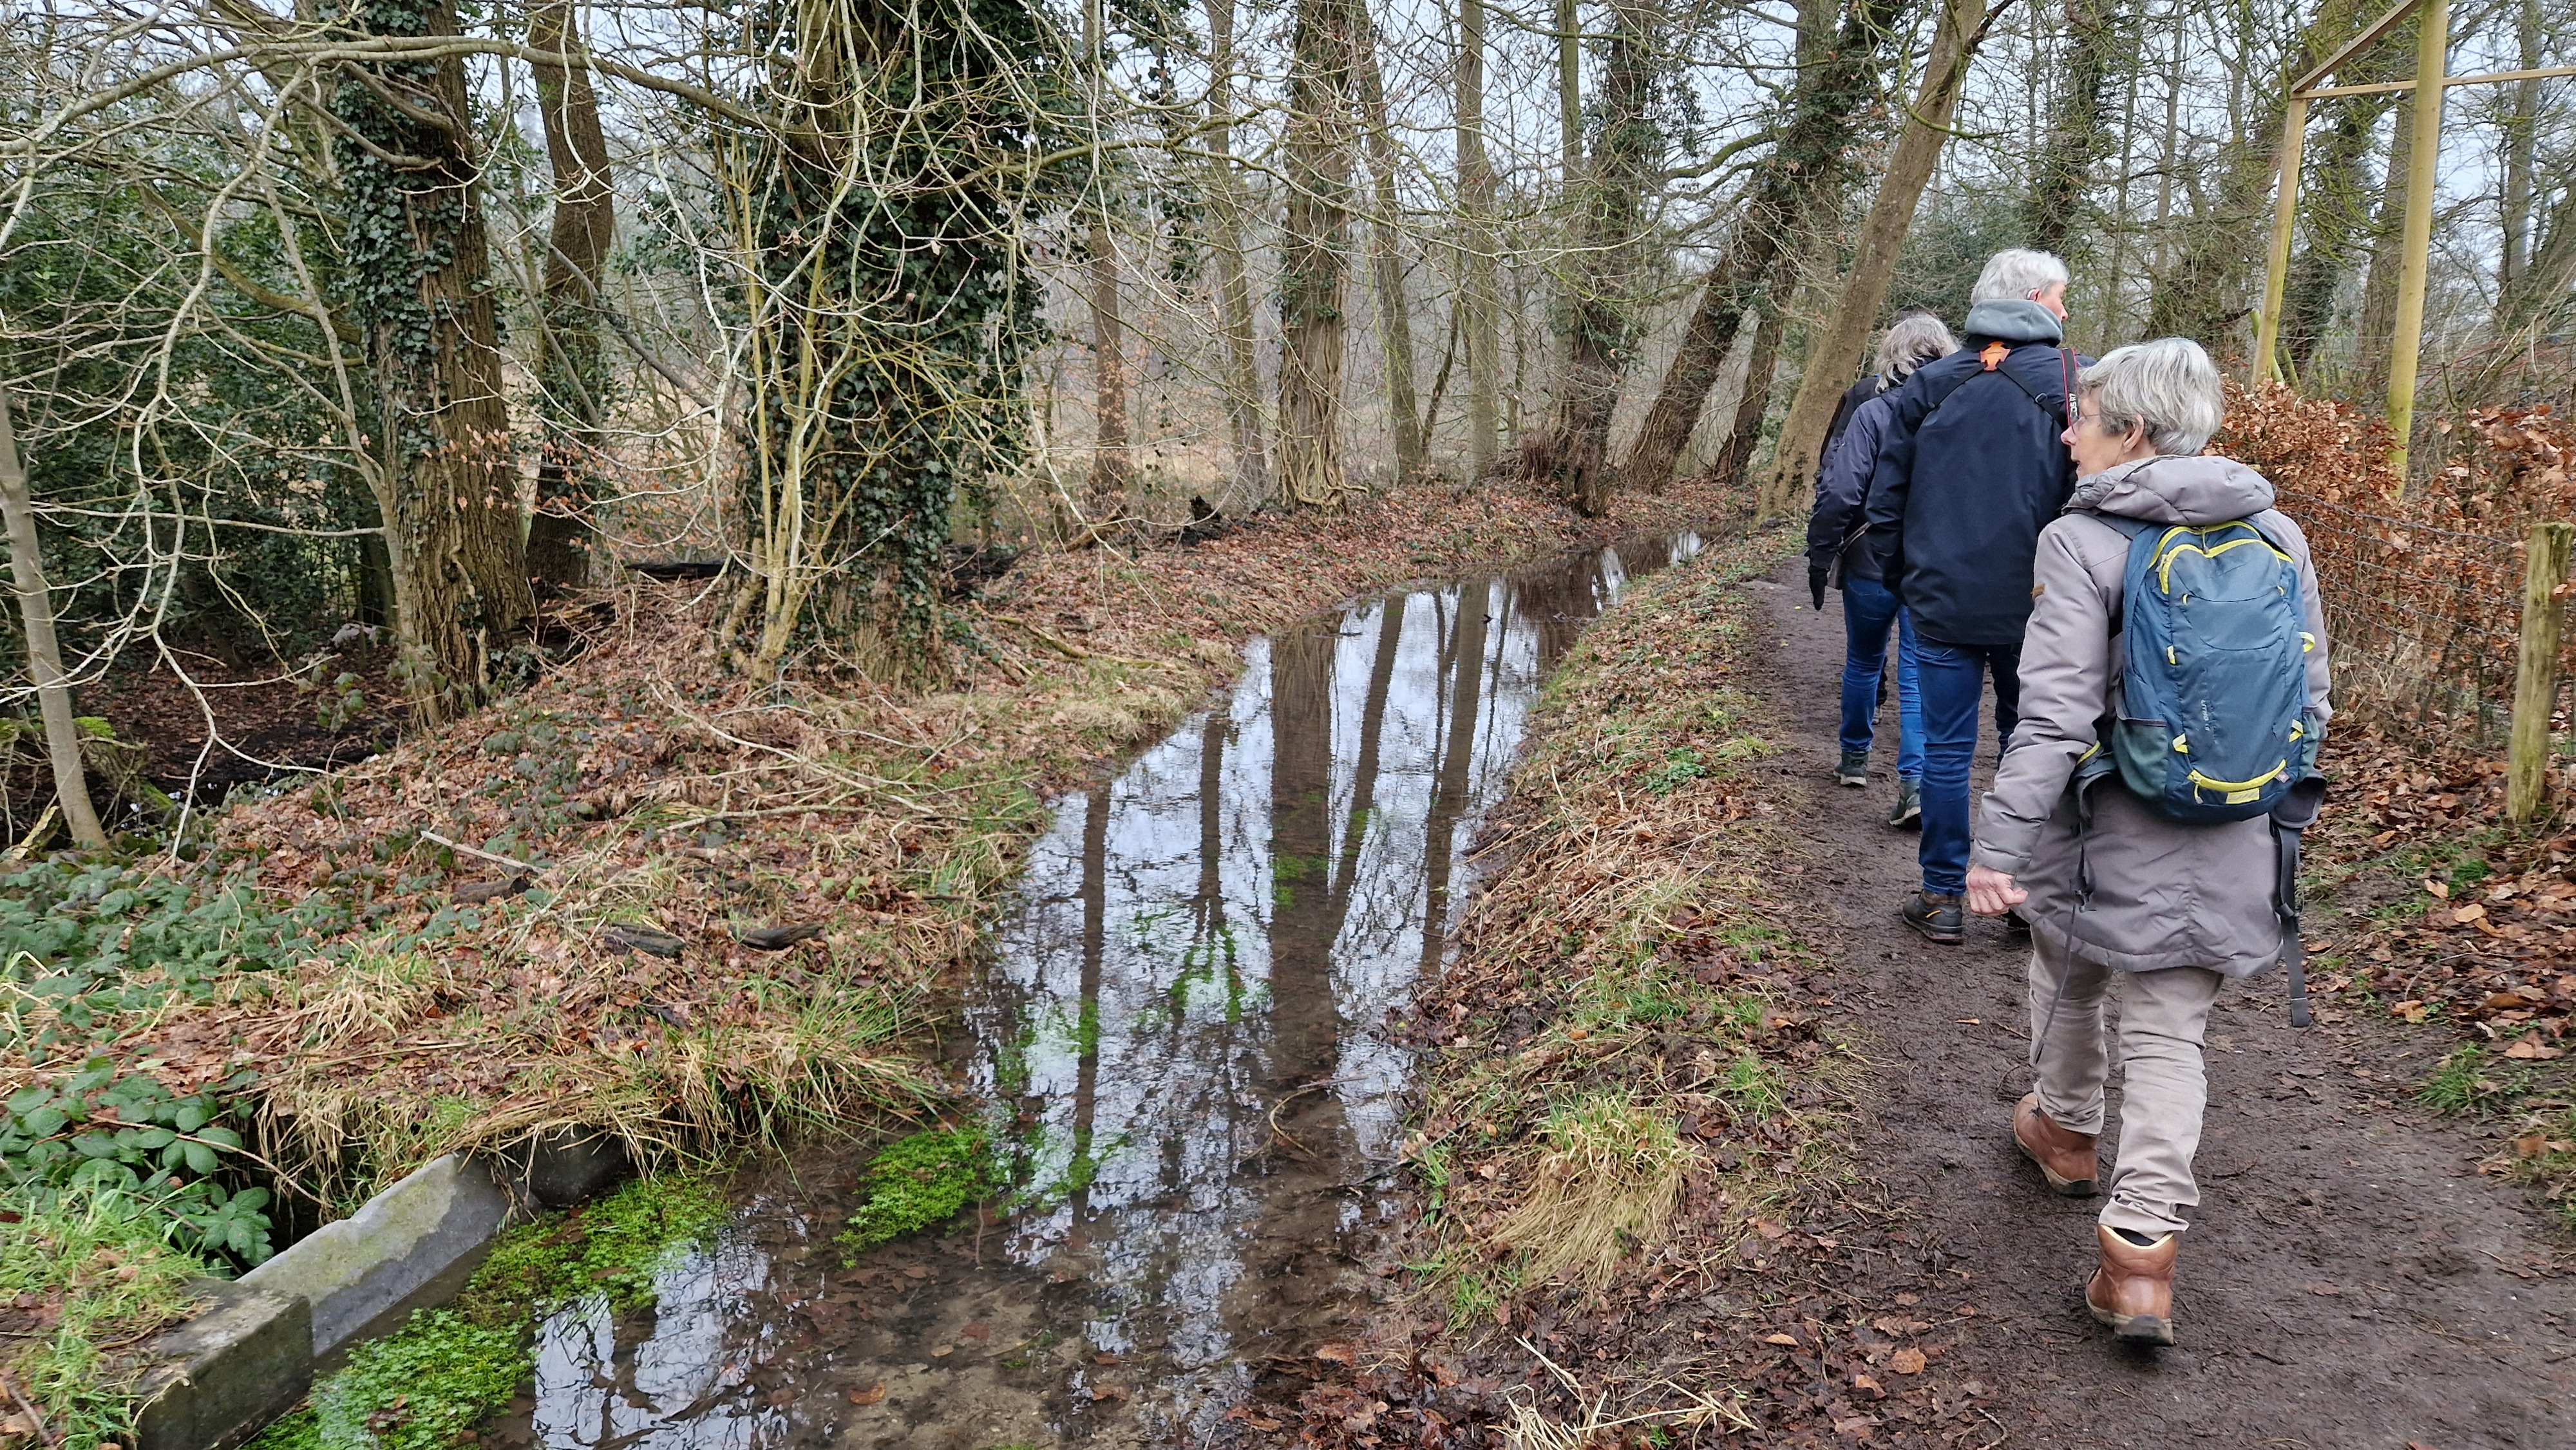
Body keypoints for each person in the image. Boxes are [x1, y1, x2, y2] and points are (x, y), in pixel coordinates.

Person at [1964, 337, 2331, 1345]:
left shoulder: (2082, 541)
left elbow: (2053, 718)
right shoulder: (2278, 532)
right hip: (2234, 823)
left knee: (2068, 964)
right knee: (2172, 1034)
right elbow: (2311, 699)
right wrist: (2278, 817)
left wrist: (1997, 847)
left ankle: (2066, 1129)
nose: (2068, 436)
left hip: (2105, 825)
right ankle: (2139, 1261)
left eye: (2081, 418)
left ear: (2130, 432)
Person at [1863, 250, 2089, 944]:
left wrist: (1906, 581)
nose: (2065, 309)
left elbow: (1885, 502)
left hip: (1940, 602)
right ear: (2033, 298)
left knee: (1945, 750)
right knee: (2037, 746)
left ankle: (1941, 896)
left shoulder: (1930, 383)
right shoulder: (2076, 382)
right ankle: (2024, 894)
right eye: (2060, 296)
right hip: (2045, 607)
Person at [1806, 313, 1959, 827]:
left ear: (1891, 358)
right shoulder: (1960, 416)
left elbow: (1840, 491)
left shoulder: (1872, 413)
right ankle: (1913, 787)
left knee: (1864, 661)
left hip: (1870, 560)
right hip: (1931, 566)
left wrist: (1822, 552)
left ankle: (1854, 760)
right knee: (1917, 677)